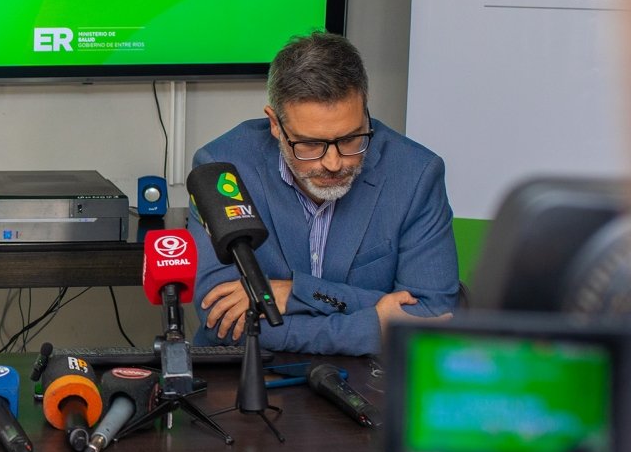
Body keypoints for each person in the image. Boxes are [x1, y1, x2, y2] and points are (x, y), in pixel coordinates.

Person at [189, 32, 458, 356]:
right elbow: (222, 321)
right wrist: (372, 325)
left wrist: (297, 293)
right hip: (250, 373)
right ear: (275, 124)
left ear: (365, 112)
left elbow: (431, 317)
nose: (333, 163)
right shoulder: (222, 169)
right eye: (310, 144)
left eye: (350, 139)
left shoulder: (416, 174)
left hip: (367, 377)